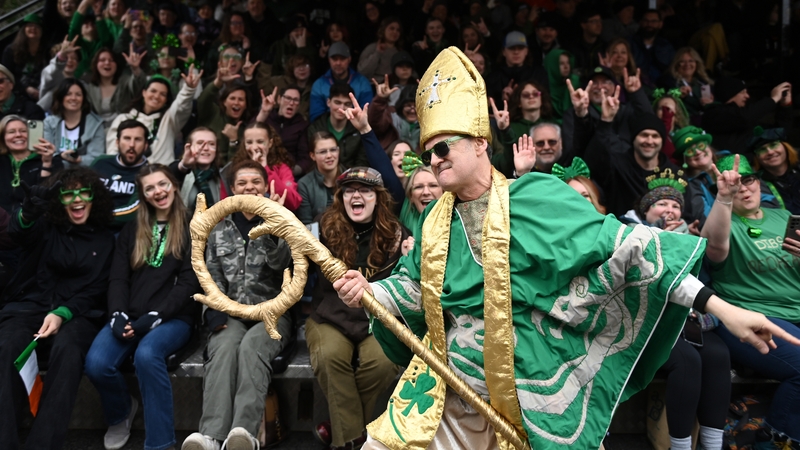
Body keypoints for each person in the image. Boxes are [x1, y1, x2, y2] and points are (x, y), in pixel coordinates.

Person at [332, 47, 795, 450]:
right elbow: (417, 287)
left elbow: (629, 249)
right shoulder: (435, 221)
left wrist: (724, 309)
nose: (433, 160)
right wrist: (372, 291)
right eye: (428, 151)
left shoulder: (534, 196)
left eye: (443, 147)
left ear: (478, 143)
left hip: (532, 379)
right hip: (450, 381)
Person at [84, 164, 199, 450]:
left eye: (162, 184)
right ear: (144, 195)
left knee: (147, 355)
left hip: (174, 318)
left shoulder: (192, 225)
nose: (158, 192)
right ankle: (121, 412)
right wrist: (117, 314)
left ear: (173, 185)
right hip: (131, 313)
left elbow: (189, 282)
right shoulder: (133, 228)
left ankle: (160, 444)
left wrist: (158, 316)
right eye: (150, 188)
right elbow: (119, 277)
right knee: (97, 364)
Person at [0, 167, 114, 450]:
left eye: (83, 192)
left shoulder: (104, 239)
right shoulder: (43, 226)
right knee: (8, 344)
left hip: (77, 315)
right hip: (29, 308)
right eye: (68, 193)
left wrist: (64, 312)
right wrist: (27, 214)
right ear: (58, 199)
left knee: (69, 350)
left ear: (93, 197)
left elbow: (97, 289)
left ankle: (43, 444)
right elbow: (18, 232)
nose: (76, 199)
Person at [181, 159, 292, 450]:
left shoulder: (282, 222)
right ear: (232, 189)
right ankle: (211, 435)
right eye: (242, 183)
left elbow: (281, 263)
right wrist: (213, 312)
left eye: (255, 182)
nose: (249, 188)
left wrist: (272, 223)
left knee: (252, 348)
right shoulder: (219, 229)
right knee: (224, 347)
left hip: (272, 313)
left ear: (265, 187)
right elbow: (210, 278)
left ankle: (243, 433)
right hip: (230, 313)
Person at [703, 155, 800, 446]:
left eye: (749, 180)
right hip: (750, 319)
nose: (744, 189)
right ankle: (774, 441)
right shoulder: (723, 222)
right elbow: (715, 247)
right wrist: (725, 197)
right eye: (736, 184)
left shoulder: (784, 218)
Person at [308, 167, 405, 450]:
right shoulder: (320, 226)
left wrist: (412, 257)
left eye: (365, 190)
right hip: (329, 318)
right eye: (350, 190)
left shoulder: (397, 234)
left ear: (378, 198)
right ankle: (354, 441)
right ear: (341, 197)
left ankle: (340, 429)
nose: (356, 195)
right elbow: (288, 260)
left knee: (384, 362)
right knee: (329, 356)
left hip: (376, 320)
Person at [583, 86, 681, 217]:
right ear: (633, 139)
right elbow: (593, 160)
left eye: (655, 136)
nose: (649, 141)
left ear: (662, 141)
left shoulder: (673, 173)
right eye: (644, 135)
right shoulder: (616, 166)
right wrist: (606, 121)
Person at [107, 68, 202, 166]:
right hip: (126, 174)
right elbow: (112, 150)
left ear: (166, 100)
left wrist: (189, 89)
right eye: (153, 91)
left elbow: (182, 106)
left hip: (159, 175)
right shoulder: (123, 119)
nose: (156, 96)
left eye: (163, 94)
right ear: (144, 93)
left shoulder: (170, 120)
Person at [703, 78, 793, 155]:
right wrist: (773, 99)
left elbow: (780, 132)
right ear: (729, 94)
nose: (747, 96)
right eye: (743, 92)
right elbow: (744, 117)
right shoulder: (713, 114)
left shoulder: (747, 121)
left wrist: (786, 106)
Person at [92, 119, 150, 231]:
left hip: (123, 231)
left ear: (145, 145)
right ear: (117, 142)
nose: (132, 145)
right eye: (127, 138)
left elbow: (132, 212)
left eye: (138, 140)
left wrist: (92, 215)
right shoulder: (101, 162)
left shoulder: (148, 173)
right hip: (90, 225)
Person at [230, 122, 301, 211]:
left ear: (270, 143)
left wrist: (265, 168)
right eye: (249, 142)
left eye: (260, 142)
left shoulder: (282, 168)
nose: (255, 147)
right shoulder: (234, 168)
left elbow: (294, 202)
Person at [0, 114, 61, 215]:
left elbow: (47, 197)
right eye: (11, 132)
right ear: (3, 137)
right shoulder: (2, 161)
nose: (18, 135)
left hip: (34, 221)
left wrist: (46, 163)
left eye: (23, 131)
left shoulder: (53, 161)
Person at [44, 78, 106, 168]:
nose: (73, 98)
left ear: (83, 98)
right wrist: (61, 157)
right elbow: (47, 153)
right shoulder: (49, 123)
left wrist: (77, 159)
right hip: (55, 172)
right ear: (61, 97)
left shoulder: (95, 124)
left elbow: (96, 158)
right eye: (68, 94)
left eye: (78, 95)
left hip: (84, 173)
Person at [84, 48, 147, 129]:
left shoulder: (125, 82)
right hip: (97, 131)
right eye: (102, 60)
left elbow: (139, 85)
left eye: (111, 60)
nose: (107, 63)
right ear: (96, 64)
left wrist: (135, 69)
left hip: (123, 129)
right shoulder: (90, 88)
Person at [307, 84, 367, 169]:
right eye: (337, 102)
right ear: (328, 102)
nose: (341, 108)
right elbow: (311, 160)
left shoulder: (357, 129)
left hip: (351, 177)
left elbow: (362, 162)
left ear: (352, 106)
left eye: (347, 104)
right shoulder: (315, 128)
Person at [309, 42, 372, 121]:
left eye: (342, 59)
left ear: (349, 59)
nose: (338, 63)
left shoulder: (363, 83)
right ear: (329, 60)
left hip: (355, 128)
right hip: (326, 130)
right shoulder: (319, 85)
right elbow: (316, 117)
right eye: (334, 59)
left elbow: (367, 114)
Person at [257, 86, 311, 176]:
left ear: (299, 105)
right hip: (262, 169)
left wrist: (289, 173)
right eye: (288, 98)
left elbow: (305, 159)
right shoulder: (267, 117)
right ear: (279, 99)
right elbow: (250, 134)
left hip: (289, 173)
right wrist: (264, 112)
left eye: (296, 100)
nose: (291, 103)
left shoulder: (302, 125)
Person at [172, 127, 227, 210]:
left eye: (211, 144)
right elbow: (171, 174)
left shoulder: (223, 175)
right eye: (200, 143)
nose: (205, 148)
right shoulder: (179, 172)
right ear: (189, 147)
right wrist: (184, 165)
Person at [750, 127, 800, 214]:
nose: (770, 152)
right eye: (762, 150)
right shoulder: (757, 184)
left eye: (773, 145)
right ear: (757, 157)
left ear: (785, 146)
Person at [297, 131, 341, 225]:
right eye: (323, 152)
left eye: (333, 150)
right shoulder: (304, 185)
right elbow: (307, 225)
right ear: (312, 156)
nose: (329, 155)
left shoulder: (350, 179)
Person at [2, 14, 48, 101]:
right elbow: (6, 75)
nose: (33, 28)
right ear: (23, 30)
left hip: (44, 92)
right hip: (18, 93)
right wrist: (26, 88)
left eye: (37, 26)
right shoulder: (10, 50)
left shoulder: (47, 50)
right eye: (30, 25)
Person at [658, 47, 714, 117]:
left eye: (691, 61)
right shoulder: (668, 82)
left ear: (696, 64)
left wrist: (711, 103)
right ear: (676, 64)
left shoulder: (703, 82)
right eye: (682, 61)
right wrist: (677, 94)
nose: (687, 64)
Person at [485, 31, 535, 107]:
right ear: (504, 52)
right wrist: (502, 101)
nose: (516, 52)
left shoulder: (537, 74)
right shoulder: (492, 78)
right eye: (512, 48)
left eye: (520, 48)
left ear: (526, 51)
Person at [368, 78, 420, 151]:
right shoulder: (391, 117)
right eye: (408, 105)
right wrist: (380, 100)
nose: (412, 110)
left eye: (416, 106)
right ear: (401, 106)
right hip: (390, 161)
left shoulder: (430, 123)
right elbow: (374, 125)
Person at [37, 35, 82, 113]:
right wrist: (62, 55)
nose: (70, 61)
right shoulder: (51, 76)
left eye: (74, 58)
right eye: (66, 58)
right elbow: (51, 72)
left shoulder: (82, 85)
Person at [260, 55, 312, 120]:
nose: (302, 69)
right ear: (292, 69)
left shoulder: (314, 89)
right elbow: (263, 86)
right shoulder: (278, 82)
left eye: (305, 65)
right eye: (297, 66)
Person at [629, 10, 675, 82]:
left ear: (660, 24)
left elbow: (671, 70)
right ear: (640, 22)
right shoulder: (629, 43)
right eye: (646, 20)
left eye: (653, 21)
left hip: (662, 87)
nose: (649, 24)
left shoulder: (666, 46)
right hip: (635, 84)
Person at [542, 49, 580, 119]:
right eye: (561, 63)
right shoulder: (543, 88)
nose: (566, 67)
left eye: (568, 62)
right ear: (552, 66)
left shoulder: (574, 82)